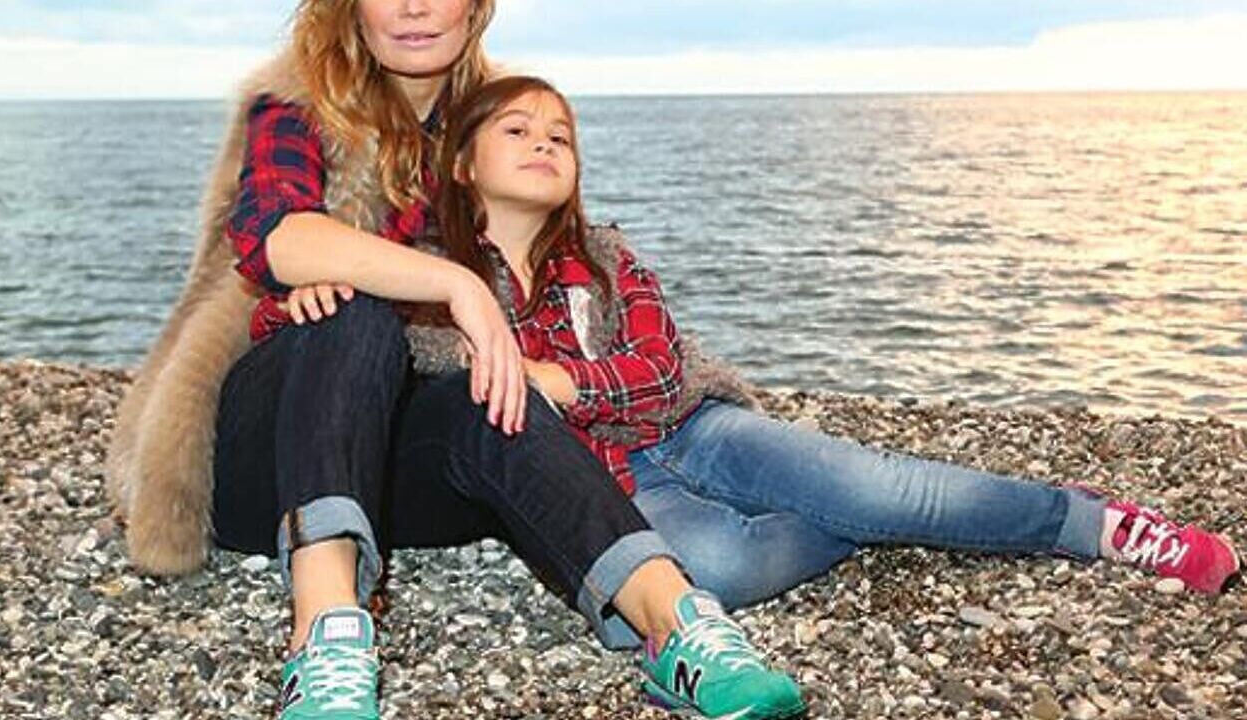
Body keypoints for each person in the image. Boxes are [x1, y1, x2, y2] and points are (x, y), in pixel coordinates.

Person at [369, 74, 1237, 656]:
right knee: (717, 572)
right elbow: (457, 398)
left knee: (890, 486)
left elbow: (661, 372)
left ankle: (1092, 523)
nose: (545, 144)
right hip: (612, 484)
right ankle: (857, 519)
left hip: (695, 431)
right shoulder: (433, 283)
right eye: (518, 129)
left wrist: (562, 381)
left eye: (561, 135)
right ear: (462, 162)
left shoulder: (604, 255)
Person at [107, 3, 805, 720]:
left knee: (490, 388)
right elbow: (274, 235)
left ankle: (678, 628)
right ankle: (326, 638)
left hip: (399, 469)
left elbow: (554, 272)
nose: (414, 7)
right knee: (353, 310)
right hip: (264, 462)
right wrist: (452, 284)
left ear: (474, 8)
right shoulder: (294, 107)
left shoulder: (497, 123)